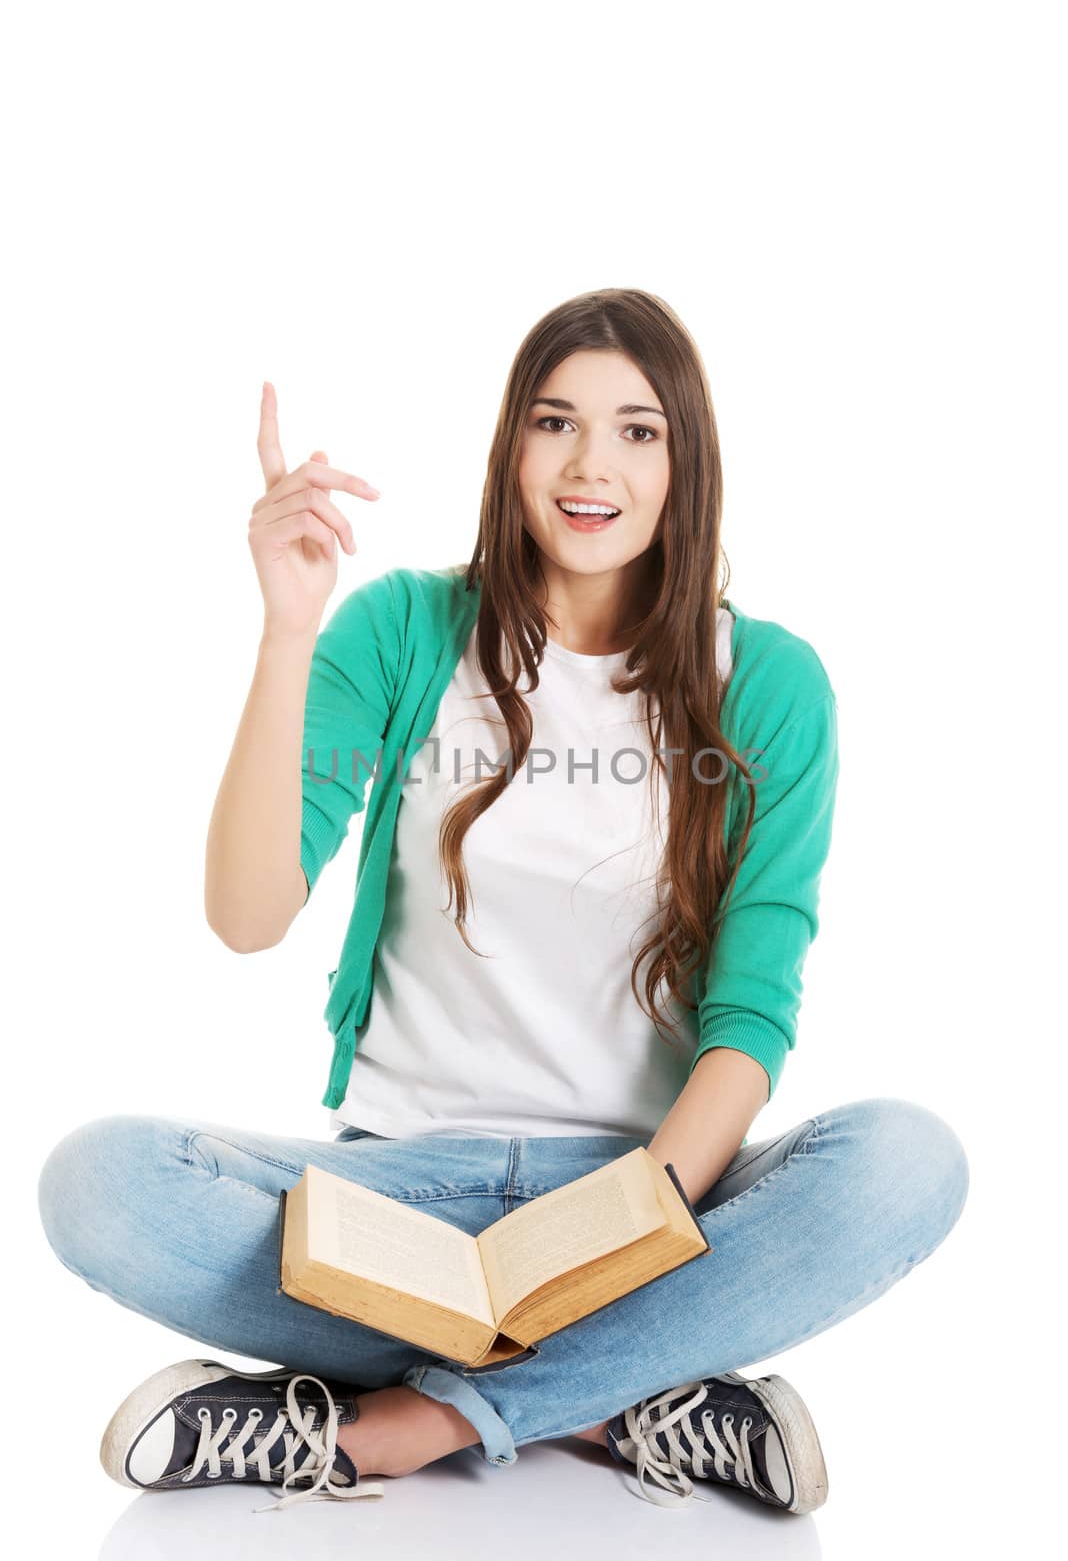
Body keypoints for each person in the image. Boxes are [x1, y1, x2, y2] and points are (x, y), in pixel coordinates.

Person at [37, 288, 969, 1516]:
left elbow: (752, 1016)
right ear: (509, 446)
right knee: (95, 1180)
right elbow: (248, 911)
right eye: (555, 423)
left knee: (908, 1161)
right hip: (405, 1196)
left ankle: (394, 1424)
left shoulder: (772, 684)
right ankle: (630, 1396)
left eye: (639, 431)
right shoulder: (407, 631)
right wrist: (285, 631)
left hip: (648, 1189)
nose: (592, 465)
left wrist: (619, 1230)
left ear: (687, 461)